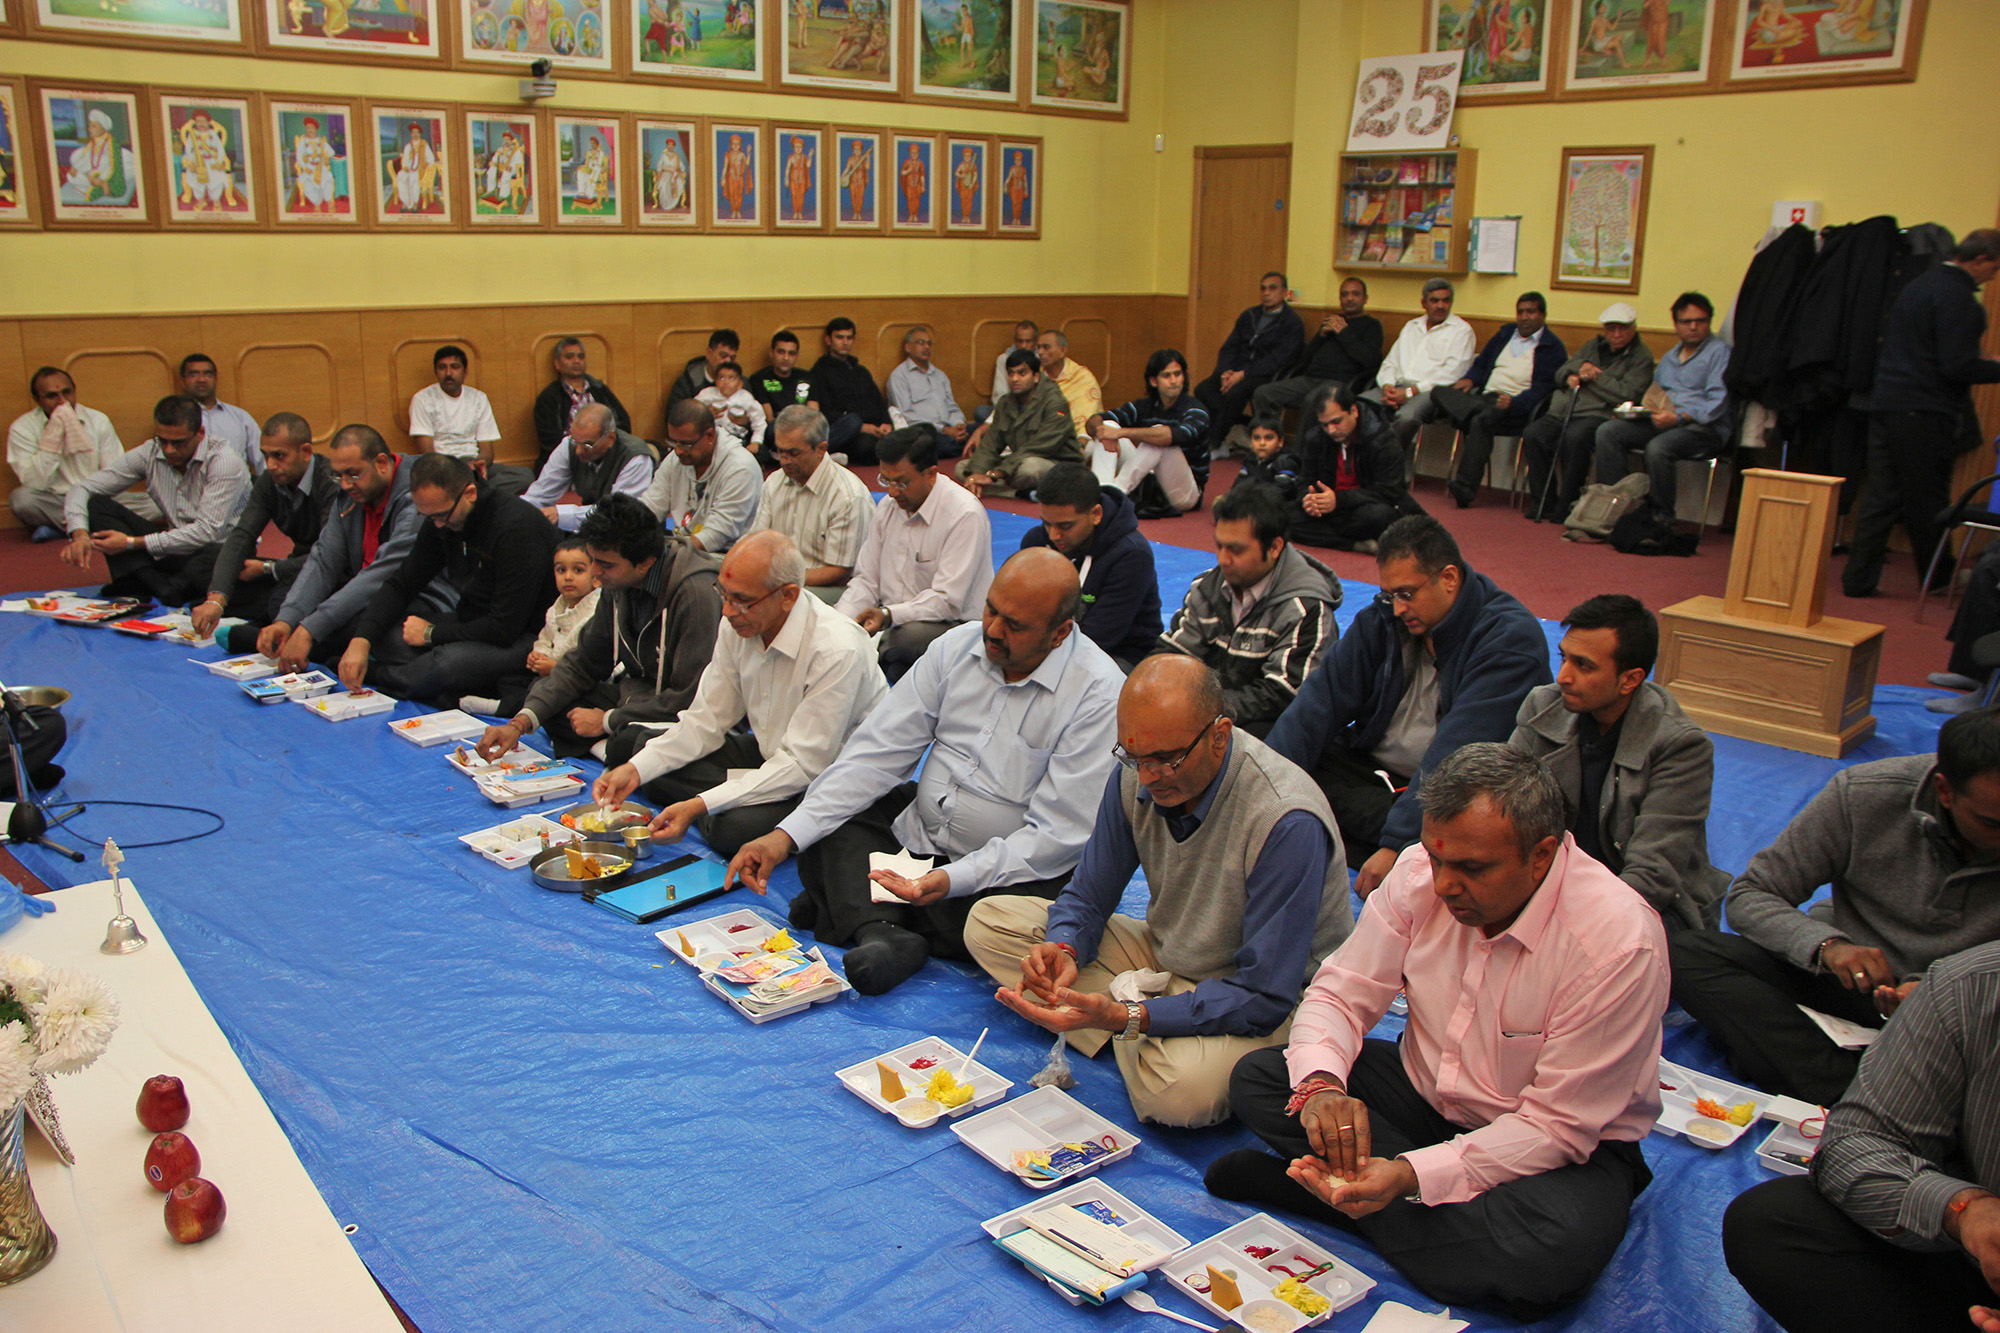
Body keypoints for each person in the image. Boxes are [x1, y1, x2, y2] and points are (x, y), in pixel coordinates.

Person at [1210, 744, 1670, 1320]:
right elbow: (1340, 994)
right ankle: (1400, 1217)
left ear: (1542, 856)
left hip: (1561, 1148)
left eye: (1472, 869)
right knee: (1264, 1077)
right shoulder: (1417, 875)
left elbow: (1557, 1126)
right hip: (1427, 1098)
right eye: (1435, 858)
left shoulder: (1617, 945)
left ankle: (1338, 1202)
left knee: (1547, 1258)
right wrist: (1323, 1087)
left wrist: (1408, 1175)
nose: (1445, 885)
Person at [964, 656, 1353, 1127]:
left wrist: (1126, 1016)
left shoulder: (1284, 820)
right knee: (989, 922)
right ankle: (1136, 1023)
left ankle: (1122, 1019)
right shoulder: (1138, 770)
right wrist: (1065, 948)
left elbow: (1263, 996)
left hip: (1271, 995)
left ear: (1219, 736)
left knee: (1179, 1096)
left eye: (1166, 760)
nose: (1147, 776)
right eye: (1134, 757)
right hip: (1170, 957)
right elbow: (1088, 894)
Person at [725, 548, 1124, 996]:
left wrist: (953, 879)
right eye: (991, 609)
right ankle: (884, 932)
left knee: (1012, 919)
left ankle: (857, 910)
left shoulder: (1098, 695)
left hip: (1004, 873)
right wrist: (783, 836)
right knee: (830, 820)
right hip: (922, 834)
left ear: (1060, 633)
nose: (993, 630)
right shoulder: (957, 647)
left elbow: (1055, 837)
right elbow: (875, 753)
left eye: (1014, 625)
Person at [1669, 705, 2000, 1106]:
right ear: (1945, 792)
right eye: (1991, 823)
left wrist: (1943, 992)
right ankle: (1873, 1093)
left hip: (1970, 1006)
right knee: (1689, 954)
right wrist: (1829, 948)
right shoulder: (1865, 795)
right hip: (1856, 986)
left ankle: (1832, 1082)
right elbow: (1752, 894)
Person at [1722, 940, 2000, 1333]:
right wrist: (1963, 1210)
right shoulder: (1972, 984)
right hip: (1976, 1257)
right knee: (1772, 1220)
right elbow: (1852, 1144)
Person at [1268, 515, 1551, 896]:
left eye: (1406, 594)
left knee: (1468, 820)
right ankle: (1346, 828)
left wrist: (1395, 844)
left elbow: (1457, 756)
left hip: (1448, 794)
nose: (1398, 607)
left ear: (1448, 578)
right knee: (1267, 744)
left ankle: (1381, 838)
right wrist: (1260, 794)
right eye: (1390, 595)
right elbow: (1319, 702)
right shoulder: (1384, 619)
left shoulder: (1509, 642)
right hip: (1373, 775)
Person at [592, 531, 887, 859]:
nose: (727, 611)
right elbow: (706, 721)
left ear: (788, 596)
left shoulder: (836, 649)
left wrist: (699, 804)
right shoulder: (739, 624)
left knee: (730, 828)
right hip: (771, 753)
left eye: (741, 600)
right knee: (644, 756)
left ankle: (728, 808)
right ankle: (729, 800)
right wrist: (635, 770)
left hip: (828, 776)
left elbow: (802, 766)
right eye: (723, 594)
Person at [1509, 595, 1727, 933]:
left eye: (1584, 666)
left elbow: (1651, 877)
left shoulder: (1680, 746)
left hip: (1646, 906)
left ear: (1630, 679)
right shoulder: (1543, 705)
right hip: (1552, 883)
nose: (1563, 676)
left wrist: (1558, 925)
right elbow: (1504, 808)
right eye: (1564, 658)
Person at [475, 493, 721, 764]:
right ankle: (607, 748)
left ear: (645, 563)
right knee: (546, 696)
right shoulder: (616, 584)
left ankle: (613, 747)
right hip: (634, 698)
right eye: (592, 560)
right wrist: (519, 723)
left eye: (605, 564)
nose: (594, 572)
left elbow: (689, 698)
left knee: (634, 741)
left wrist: (607, 720)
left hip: (682, 713)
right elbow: (582, 663)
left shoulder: (695, 594)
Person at [1844, 230, 2000, 598]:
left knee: (1881, 496)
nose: (1993, 276)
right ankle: (1938, 579)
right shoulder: (1960, 299)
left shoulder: (1920, 285)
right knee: (1928, 498)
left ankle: (1858, 579)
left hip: (1887, 402)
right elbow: (1957, 366)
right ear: (1979, 260)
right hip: (1925, 410)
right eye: (1994, 268)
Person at [339, 452, 557, 704]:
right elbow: (403, 583)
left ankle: (383, 676)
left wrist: (431, 634)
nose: (438, 525)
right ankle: (430, 679)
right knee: (377, 631)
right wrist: (362, 641)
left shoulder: (517, 528)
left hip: (527, 637)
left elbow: (504, 628)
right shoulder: (443, 517)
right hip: (470, 622)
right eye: (429, 517)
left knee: (446, 665)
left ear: (470, 494)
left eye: (442, 515)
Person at [257, 424, 451, 673]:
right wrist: (286, 620)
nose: (346, 484)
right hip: (365, 592)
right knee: (285, 604)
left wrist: (309, 629)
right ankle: (322, 646)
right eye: (338, 475)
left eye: (353, 474)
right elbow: (324, 560)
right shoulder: (351, 494)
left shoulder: (418, 492)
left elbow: (385, 573)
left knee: (376, 632)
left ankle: (342, 653)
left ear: (381, 463)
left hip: (418, 598)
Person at [1156, 484, 1339, 737]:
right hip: (1213, 710)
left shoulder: (1305, 608)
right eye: (1219, 546)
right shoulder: (1207, 588)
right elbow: (1173, 654)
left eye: (1236, 549)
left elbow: (1283, 695)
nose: (1223, 559)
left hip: (1270, 729)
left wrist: (1199, 707)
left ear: (1274, 548)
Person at [834, 425, 993, 681]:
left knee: (903, 640)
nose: (892, 492)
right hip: (893, 620)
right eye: (885, 480)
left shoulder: (964, 515)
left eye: (901, 482)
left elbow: (946, 601)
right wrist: (841, 622)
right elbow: (866, 580)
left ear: (931, 474)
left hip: (951, 624)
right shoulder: (888, 507)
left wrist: (888, 616)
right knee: (837, 626)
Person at [60, 394, 251, 603]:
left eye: (178, 442)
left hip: (218, 551)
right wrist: (80, 535)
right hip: (174, 547)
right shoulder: (150, 451)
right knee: (96, 505)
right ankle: (161, 585)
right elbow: (82, 487)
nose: (169, 450)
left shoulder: (224, 462)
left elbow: (205, 532)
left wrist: (131, 543)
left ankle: (148, 581)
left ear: (200, 434)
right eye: (163, 440)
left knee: (214, 560)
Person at [186, 413, 339, 649]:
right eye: (265, 455)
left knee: (280, 602)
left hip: (327, 571)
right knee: (203, 566)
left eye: (279, 456)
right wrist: (216, 599)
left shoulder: (331, 482)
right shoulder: (270, 481)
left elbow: (329, 556)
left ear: (306, 451)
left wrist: (270, 569)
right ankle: (267, 620)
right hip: (291, 567)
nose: (270, 465)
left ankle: (266, 631)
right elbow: (242, 535)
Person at [1593, 292, 1732, 520]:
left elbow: (1717, 403)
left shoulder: (1720, 353)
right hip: (1666, 422)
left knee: (1658, 447)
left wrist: (1680, 417)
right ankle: (1615, 506)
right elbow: (1655, 395)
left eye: (1701, 321)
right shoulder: (1670, 357)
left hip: (1704, 428)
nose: (1694, 327)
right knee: (1609, 431)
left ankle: (1661, 517)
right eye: (1687, 321)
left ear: (1709, 322)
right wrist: (1637, 413)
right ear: (1676, 325)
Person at [1427, 292, 1567, 509]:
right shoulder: (1505, 334)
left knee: (1481, 420)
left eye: (1530, 312)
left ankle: (1465, 487)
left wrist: (1514, 403)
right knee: (1438, 392)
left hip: (1515, 408)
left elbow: (1544, 390)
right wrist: (1470, 379)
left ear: (1543, 315)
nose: (1524, 317)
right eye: (1520, 312)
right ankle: (1473, 411)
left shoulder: (1552, 347)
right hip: (1485, 399)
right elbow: (1481, 364)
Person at [1519, 303, 1656, 522]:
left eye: (1622, 328)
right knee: (1534, 434)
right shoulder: (1593, 346)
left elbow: (1627, 393)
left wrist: (1594, 378)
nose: (1616, 334)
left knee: (1575, 438)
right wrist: (1573, 373)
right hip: (1564, 409)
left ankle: (1568, 504)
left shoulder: (1642, 357)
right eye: (1611, 329)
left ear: (1633, 328)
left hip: (1598, 414)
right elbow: (1561, 371)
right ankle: (1543, 501)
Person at [1020, 463, 1161, 669]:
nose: (1054, 535)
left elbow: (1099, 639)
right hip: (1052, 642)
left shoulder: (1132, 555)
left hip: (1121, 652)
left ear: (1095, 514)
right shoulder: (1037, 542)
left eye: (1065, 526)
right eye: (1047, 523)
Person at [750, 406, 875, 600]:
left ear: (821, 449)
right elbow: (758, 543)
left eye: (793, 453)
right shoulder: (774, 482)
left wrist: (779, 583)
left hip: (834, 589)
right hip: (781, 583)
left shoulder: (848, 496)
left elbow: (839, 572)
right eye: (780, 452)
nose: (784, 461)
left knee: (776, 604)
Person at [1288, 384, 1418, 553]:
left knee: (1378, 516)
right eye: (1325, 425)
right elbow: (1305, 480)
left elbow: (1389, 491)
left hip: (1363, 507)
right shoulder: (1316, 438)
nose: (1331, 430)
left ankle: (1327, 537)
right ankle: (1354, 544)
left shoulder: (1383, 440)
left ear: (1354, 411)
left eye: (1336, 422)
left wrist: (1338, 500)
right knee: (1285, 516)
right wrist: (1308, 500)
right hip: (1329, 509)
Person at [8, 367, 132, 541]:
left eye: (67, 392)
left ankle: (65, 528)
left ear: (74, 390)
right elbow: (34, 482)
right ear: (37, 399)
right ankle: (96, 526)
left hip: (98, 498)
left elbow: (114, 474)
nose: (62, 401)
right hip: (56, 500)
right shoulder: (22, 428)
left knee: (154, 504)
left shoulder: (98, 420)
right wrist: (52, 438)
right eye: (52, 396)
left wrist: (86, 501)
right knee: (22, 501)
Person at [1193, 272, 1305, 459]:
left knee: (1236, 393)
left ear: (1285, 292)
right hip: (1236, 369)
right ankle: (1242, 425)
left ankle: (1215, 441)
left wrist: (1244, 373)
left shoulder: (1292, 322)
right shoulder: (1249, 315)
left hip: (1265, 374)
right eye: (1263, 288)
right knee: (1203, 389)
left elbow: (1278, 359)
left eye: (1272, 288)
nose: (1266, 293)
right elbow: (1230, 347)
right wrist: (1225, 371)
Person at [1086, 348, 1207, 517]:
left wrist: (1121, 433)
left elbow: (1171, 436)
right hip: (1151, 480)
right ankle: (1101, 493)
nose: (1174, 381)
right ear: (1154, 381)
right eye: (1167, 376)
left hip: (1185, 492)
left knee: (1158, 437)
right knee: (1107, 425)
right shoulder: (1145, 406)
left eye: (1178, 374)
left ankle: (1112, 498)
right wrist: (1103, 431)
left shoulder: (1195, 409)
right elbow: (1093, 422)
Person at [492, 537, 602, 720]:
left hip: (577, 678)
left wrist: (556, 667)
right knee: (509, 680)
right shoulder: (556, 608)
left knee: (543, 690)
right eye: (561, 570)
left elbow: (589, 662)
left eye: (578, 570)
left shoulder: (597, 611)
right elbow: (545, 638)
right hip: (551, 670)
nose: (568, 577)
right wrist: (539, 655)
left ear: (596, 578)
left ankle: (506, 707)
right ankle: (516, 704)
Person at [1253, 278, 1385, 427]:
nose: (1349, 298)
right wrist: (1320, 336)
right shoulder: (1332, 320)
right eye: (1344, 294)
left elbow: (1371, 361)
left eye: (1355, 294)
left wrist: (1344, 332)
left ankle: (1303, 443)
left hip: (1341, 383)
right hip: (1310, 379)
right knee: (1263, 392)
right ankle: (1269, 436)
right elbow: (1305, 358)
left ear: (1365, 299)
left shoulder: (1372, 325)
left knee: (1312, 400)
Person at [1367, 278, 1477, 451]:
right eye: (1434, 301)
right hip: (1396, 387)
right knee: (1358, 406)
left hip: (1429, 392)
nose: (1441, 306)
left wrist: (1410, 392)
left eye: (1446, 300)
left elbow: (1453, 373)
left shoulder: (1461, 330)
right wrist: (1388, 386)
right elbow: (1391, 362)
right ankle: (1360, 461)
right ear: (1424, 303)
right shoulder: (1412, 326)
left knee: (1406, 418)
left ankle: (1389, 462)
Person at [641, 399, 763, 555]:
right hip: (682, 547)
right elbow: (651, 506)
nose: (678, 451)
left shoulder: (741, 467)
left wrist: (666, 556)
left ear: (710, 435)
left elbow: (716, 535)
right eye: (674, 443)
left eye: (686, 444)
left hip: (726, 555)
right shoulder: (676, 459)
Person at [955, 349, 1081, 499]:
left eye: (1022, 373)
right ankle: (1020, 493)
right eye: (1010, 373)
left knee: (1030, 469)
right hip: (1018, 460)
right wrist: (977, 473)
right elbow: (991, 443)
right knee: (963, 468)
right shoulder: (1005, 402)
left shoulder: (1055, 403)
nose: (1015, 379)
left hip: (1056, 463)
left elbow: (1039, 446)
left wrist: (996, 474)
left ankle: (998, 487)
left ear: (1036, 376)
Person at [520, 403, 655, 532]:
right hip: (590, 526)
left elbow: (618, 513)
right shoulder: (568, 445)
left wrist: (562, 515)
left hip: (628, 533)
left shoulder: (635, 457)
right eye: (575, 441)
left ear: (610, 437)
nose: (578, 451)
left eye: (588, 445)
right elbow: (540, 494)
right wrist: (517, 509)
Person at [408, 344, 525, 492]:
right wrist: (461, 469)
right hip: (443, 468)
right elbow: (427, 453)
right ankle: (478, 491)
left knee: (524, 475)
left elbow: (487, 451)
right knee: (429, 481)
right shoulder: (422, 399)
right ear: (436, 372)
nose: (448, 373)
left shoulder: (478, 398)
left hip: (473, 465)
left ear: (465, 371)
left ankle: (467, 492)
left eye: (455, 367)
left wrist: (479, 465)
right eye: (442, 367)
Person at [531, 337, 631, 473]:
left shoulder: (600, 390)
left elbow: (623, 423)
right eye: (569, 357)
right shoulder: (548, 397)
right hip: (570, 460)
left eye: (581, 356)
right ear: (557, 364)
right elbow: (550, 442)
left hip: (605, 455)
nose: (576, 361)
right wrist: (582, 451)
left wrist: (607, 449)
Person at [810, 317, 893, 463]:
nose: (845, 342)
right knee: (864, 441)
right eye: (839, 337)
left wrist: (885, 423)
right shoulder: (819, 371)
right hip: (846, 430)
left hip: (874, 428)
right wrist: (861, 427)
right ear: (829, 340)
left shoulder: (861, 371)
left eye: (849, 338)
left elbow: (878, 401)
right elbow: (825, 412)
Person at [884, 325, 968, 455]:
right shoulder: (899, 376)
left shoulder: (940, 375)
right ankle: (964, 445)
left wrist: (958, 426)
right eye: (921, 343)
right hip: (924, 431)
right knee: (929, 440)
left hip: (948, 429)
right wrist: (943, 430)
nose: (927, 347)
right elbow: (906, 415)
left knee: (982, 430)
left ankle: (962, 442)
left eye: (929, 343)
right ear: (908, 347)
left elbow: (952, 406)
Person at [177, 353, 263, 476]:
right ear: (182, 381)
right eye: (194, 374)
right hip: (194, 486)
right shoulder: (175, 419)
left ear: (216, 379)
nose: (202, 379)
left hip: (238, 486)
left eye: (208, 374)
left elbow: (262, 460)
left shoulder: (240, 417)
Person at [747, 330, 814, 464]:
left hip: (805, 429)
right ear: (772, 353)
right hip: (779, 429)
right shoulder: (759, 378)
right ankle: (811, 454)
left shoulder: (806, 377)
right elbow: (769, 418)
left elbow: (814, 413)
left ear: (796, 356)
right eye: (781, 352)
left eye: (791, 353)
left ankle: (794, 453)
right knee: (773, 428)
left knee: (850, 422)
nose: (786, 358)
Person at [1036, 329, 1103, 445]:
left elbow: (1086, 421)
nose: (1040, 352)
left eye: (1046, 347)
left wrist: (1078, 447)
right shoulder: (1035, 376)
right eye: (1039, 347)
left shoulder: (1082, 378)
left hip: (1078, 441)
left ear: (1062, 351)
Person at [693, 361, 766, 451]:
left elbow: (759, 421)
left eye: (731, 378)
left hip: (737, 438)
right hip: (711, 437)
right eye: (721, 378)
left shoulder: (746, 398)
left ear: (740, 384)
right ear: (716, 381)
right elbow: (692, 410)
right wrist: (704, 412)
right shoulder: (707, 394)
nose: (725, 382)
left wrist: (756, 441)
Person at [666, 329, 740, 415]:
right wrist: (701, 415)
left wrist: (745, 420)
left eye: (732, 358)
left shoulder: (740, 382)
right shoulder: (686, 383)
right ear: (709, 353)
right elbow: (673, 417)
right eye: (723, 355)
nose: (728, 361)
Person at [1232, 417, 1302, 506]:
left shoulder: (1286, 462)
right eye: (1257, 438)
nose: (1262, 443)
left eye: (1268, 438)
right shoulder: (1250, 459)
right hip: (1254, 503)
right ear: (1250, 442)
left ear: (1280, 442)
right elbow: (1238, 485)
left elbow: (1280, 494)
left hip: (1279, 508)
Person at [984, 320, 1039, 421]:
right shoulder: (1004, 359)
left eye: (1028, 341)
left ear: (1036, 342)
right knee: (981, 411)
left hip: (1036, 411)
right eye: (1020, 341)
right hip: (1010, 410)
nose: (1024, 346)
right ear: (1015, 341)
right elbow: (999, 396)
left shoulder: (1042, 360)